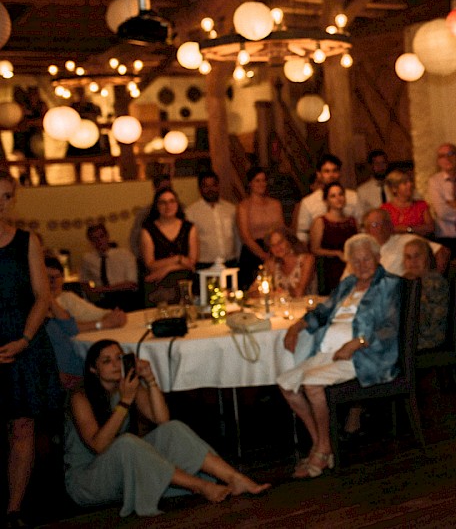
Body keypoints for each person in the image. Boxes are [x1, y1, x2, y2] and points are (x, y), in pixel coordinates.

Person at [65, 339, 269, 517]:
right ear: (93, 369)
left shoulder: (127, 387)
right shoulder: (81, 397)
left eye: (119, 358)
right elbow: (99, 446)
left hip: (124, 468)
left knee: (173, 429)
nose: (116, 365)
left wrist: (150, 379)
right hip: (89, 481)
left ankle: (234, 478)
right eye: (106, 361)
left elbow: (163, 420)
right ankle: (201, 487)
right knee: (127, 443)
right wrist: (125, 401)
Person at [278, 234, 401, 478]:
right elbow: (323, 311)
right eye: (356, 261)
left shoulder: (389, 284)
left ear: (378, 258)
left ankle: (322, 452)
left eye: (367, 259)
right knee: (286, 384)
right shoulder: (348, 283)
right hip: (329, 352)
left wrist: (358, 343)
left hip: (365, 357)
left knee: (312, 383)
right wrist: (297, 326)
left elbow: (389, 326)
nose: (362, 265)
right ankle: (321, 445)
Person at [0, 170, 62, 527]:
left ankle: (14, 509)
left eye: (8, 196)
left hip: (23, 340)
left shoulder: (27, 240)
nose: (1, 203)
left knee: (23, 424)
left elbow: (43, 296)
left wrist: (24, 339)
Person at [43, 255, 127, 387]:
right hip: (61, 373)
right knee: (110, 367)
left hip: (75, 365)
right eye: (47, 277)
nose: (53, 282)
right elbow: (67, 329)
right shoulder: (35, 307)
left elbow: (73, 324)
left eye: (57, 277)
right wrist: (104, 324)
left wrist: (112, 315)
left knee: (118, 369)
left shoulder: (66, 298)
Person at [140, 187, 199, 307]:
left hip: (185, 284)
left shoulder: (189, 228)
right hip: (158, 285)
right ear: (157, 206)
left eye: (172, 201)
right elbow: (150, 264)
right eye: (163, 202)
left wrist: (167, 268)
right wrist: (178, 259)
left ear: (177, 204)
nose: (168, 206)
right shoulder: (148, 230)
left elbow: (191, 263)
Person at [358, 208, 448, 277]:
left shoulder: (406, 241)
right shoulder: (363, 251)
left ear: (390, 225)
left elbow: (443, 251)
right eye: (375, 225)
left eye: (383, 223)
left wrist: (431, 279)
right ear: (367, 230)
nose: (380, 228)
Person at [236, 167, 285, 290]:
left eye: (263, 180)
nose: (261, 184)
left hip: (275, 248)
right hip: (253, 252)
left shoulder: (275, 204)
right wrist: (263, 255)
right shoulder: (243, 206)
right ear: (250, 184)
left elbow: (281, 230)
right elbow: (245, 236)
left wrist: (275, 252)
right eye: (257, 181)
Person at [295, 154, 360, 243]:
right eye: (327, 171)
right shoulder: (308, 202)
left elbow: (361, 225)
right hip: (320, 251)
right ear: (319, 174)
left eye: (335, 171)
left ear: (340, 173)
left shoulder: (353, 197)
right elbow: (302, 233)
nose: (331, 175)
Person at [309, 181, 358, 295]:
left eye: (340, 194)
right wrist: (336, 253)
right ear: (326, 201)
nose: (338, 198)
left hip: (351, 267)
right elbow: (315, 249)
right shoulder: (320, 221)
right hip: (329, 269)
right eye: (333, 196)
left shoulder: (352, 221)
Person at [401, 237, 449, 351]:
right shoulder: (413, 280)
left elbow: (420, 319)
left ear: (427, 258)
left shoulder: (433, 282)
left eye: (417, 256)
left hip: (426, 339)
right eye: (408, 257)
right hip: (412, 334)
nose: (413, 261)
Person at [185, 171, 240, 270]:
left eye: (213, 185)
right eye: (206, 186)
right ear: (200, 189)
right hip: (205, 265)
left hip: (230, 263)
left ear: (218, 186)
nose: (210, 189)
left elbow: (237, 236)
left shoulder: (231, 209)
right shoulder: (190, 213)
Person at [80, 223, 140, 311]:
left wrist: (102, 289)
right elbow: (84, 280)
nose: (99, 241)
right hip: (102, 299)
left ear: (107, 236)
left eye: (101, 236)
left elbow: (131, 283)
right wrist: (91, 293)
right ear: (90, 242)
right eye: (94, 239)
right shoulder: (88, 259)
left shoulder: (124, 254)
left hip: (124, 296)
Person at [262, 227, 316, 298]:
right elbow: (255, 291)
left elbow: (299, 293)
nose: (277, 247)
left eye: (280, 242)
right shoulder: (272, 264)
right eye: (273, 245)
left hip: (307, 307)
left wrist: (276, 293)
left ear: (289, 241)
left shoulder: (306, 260)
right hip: (281, 308)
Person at [129, 173, 172, 259]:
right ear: (155, 189)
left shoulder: (180, 210)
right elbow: (134, 240)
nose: (166, 192)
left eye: (169, 188)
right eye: (163, 189)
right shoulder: (144, 214)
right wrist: (144, 258)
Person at [381, 170, 434, 237]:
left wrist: (409, 229)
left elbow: (431, 227)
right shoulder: (385, 209)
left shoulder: (421, 205)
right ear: (394, 188)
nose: (410, 185)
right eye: (405, 183)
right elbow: (383, 230)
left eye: (411, 181)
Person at [355, 150, 391, 216]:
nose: (381, 167)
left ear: (387, 164)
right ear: (371, 166)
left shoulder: (395, 186)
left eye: (383, 163)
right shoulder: (362, 191)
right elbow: (360, 215)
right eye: (377, 164)